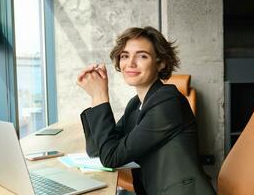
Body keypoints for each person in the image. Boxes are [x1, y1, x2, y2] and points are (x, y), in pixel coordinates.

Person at [77, 26, 214, 195]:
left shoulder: (168, 103)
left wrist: (100, 96)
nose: (130, 63)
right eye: (125, 56)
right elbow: (98, 150)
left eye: (142, 55)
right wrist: (95, 97)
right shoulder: (135, 105)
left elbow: (111, 157)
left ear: (161, 62)